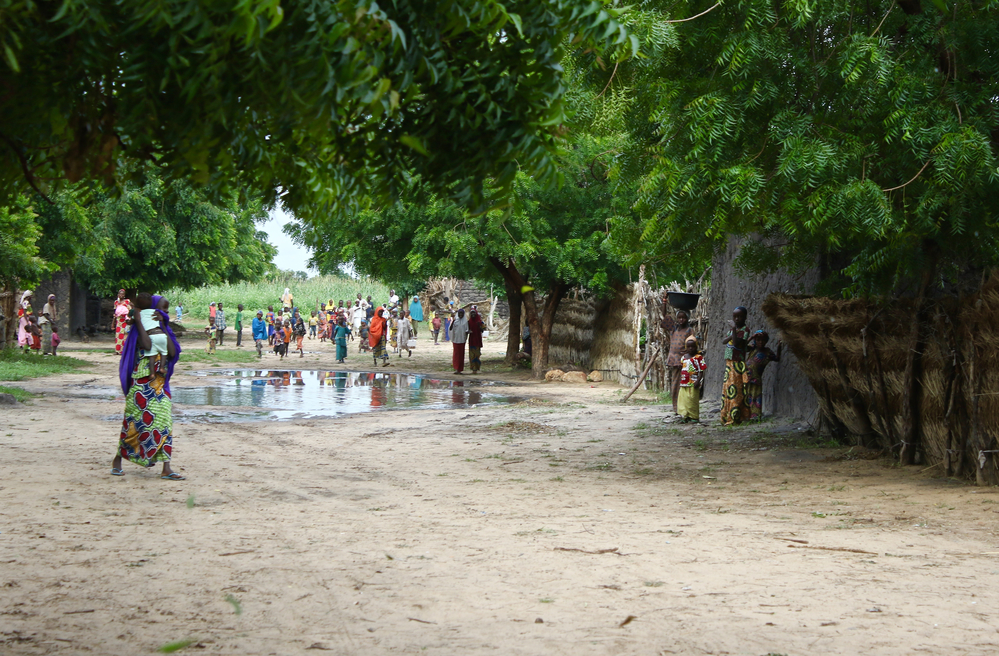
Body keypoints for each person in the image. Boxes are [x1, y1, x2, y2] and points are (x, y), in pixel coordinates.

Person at [112, 293, 183, 480]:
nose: (164, 312)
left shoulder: (162, 327)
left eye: (166, 310)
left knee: (165, 422)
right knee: (134, 423)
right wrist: (138, 321)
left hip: (160, 384)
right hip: (142, 382)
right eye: (161, 308)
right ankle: (117, 460)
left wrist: (164, 326)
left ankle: (166, 467)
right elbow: (145, 344)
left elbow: (173, 351)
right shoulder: (138, 327)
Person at [721, 306, 751, 425]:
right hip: (729, 363)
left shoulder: (745, 330)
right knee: (728, 389)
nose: (737, 318)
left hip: (738, 363)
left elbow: (738, 343)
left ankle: (736, 416)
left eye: (739, 316)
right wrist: (733, 330)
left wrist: (734, 329)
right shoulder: (733, 330)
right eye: (735, 316)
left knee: (737, 389)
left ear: (745, 318)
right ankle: (727, 414)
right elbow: (724, 341)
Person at [745, 330, 783, 420]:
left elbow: (777, 358)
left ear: (766, 341)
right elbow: (742, 347)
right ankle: (745, 415)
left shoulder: (767, 352)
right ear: (755, 340)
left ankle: (755, 416)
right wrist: (751, 337)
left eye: (763, 340)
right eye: (758, 340)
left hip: (756, 378)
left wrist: (779, 346)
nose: (760, 342)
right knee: (745, 395)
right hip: (745, 377)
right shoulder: (752, 348)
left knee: (755, 396)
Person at [663, 310, 694, 414]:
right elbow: (664, 316)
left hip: (685, 360)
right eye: (679, 317)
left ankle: (685, 407)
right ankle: (676, 408)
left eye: (683, 318)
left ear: (687, 318)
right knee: (675, 384)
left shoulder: (689, 330)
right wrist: (664, 301)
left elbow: (693, 344)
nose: (681, 320)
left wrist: (688, 351)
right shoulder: (673, 328)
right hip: (674, 360)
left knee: (685, 384)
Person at [678, 336, 706, 423]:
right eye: (689, 346)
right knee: (683, 400)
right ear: (686, 347)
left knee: (692, 400)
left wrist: (698, 380)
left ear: (696, 346)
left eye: (693, 346)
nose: (691, 348)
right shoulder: (684, 357)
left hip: (693, 382)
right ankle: (685, 416)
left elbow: (701, 370)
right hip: (684, 382)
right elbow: (682, 368)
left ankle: (694, 417)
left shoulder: (699, 357)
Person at [450, 308, 469, 374]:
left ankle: (460, 369)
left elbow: (467, 330)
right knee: (456, 354)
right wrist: (453, 321)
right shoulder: (455, 321)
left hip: (462, 340)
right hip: (455, 340)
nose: (460, 315)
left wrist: (466, 336)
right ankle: (456, 368)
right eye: (459, 314)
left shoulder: (465, 321)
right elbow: (451, 329)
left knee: (461, 355)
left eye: (462, 314)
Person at [467, 307, 484, 373]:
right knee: (471, 355)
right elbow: (467, 329)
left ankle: (477, 368)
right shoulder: (469, 322)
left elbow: (483, 330)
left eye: (474, 313)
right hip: (471, 340)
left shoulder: (479, 321)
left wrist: (479, 326)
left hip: (477, 339)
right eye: (471, 313)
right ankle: (473, 368)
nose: (473, 314)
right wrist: (468, 331)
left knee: (477, 354)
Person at [113, 289, 130, 355]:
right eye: (120, 294)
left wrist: (127, 317)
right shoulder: (116, 302)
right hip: (118, 321)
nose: (121, 295)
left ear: (124, 295)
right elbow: (115, 312)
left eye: (123, 294)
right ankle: (117, 350)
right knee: (118, 336)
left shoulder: (127, 302)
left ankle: (123, 351)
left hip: (125, 320)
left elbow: (130, 310)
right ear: (118, 295)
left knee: (124, 336)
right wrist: (113, 323)